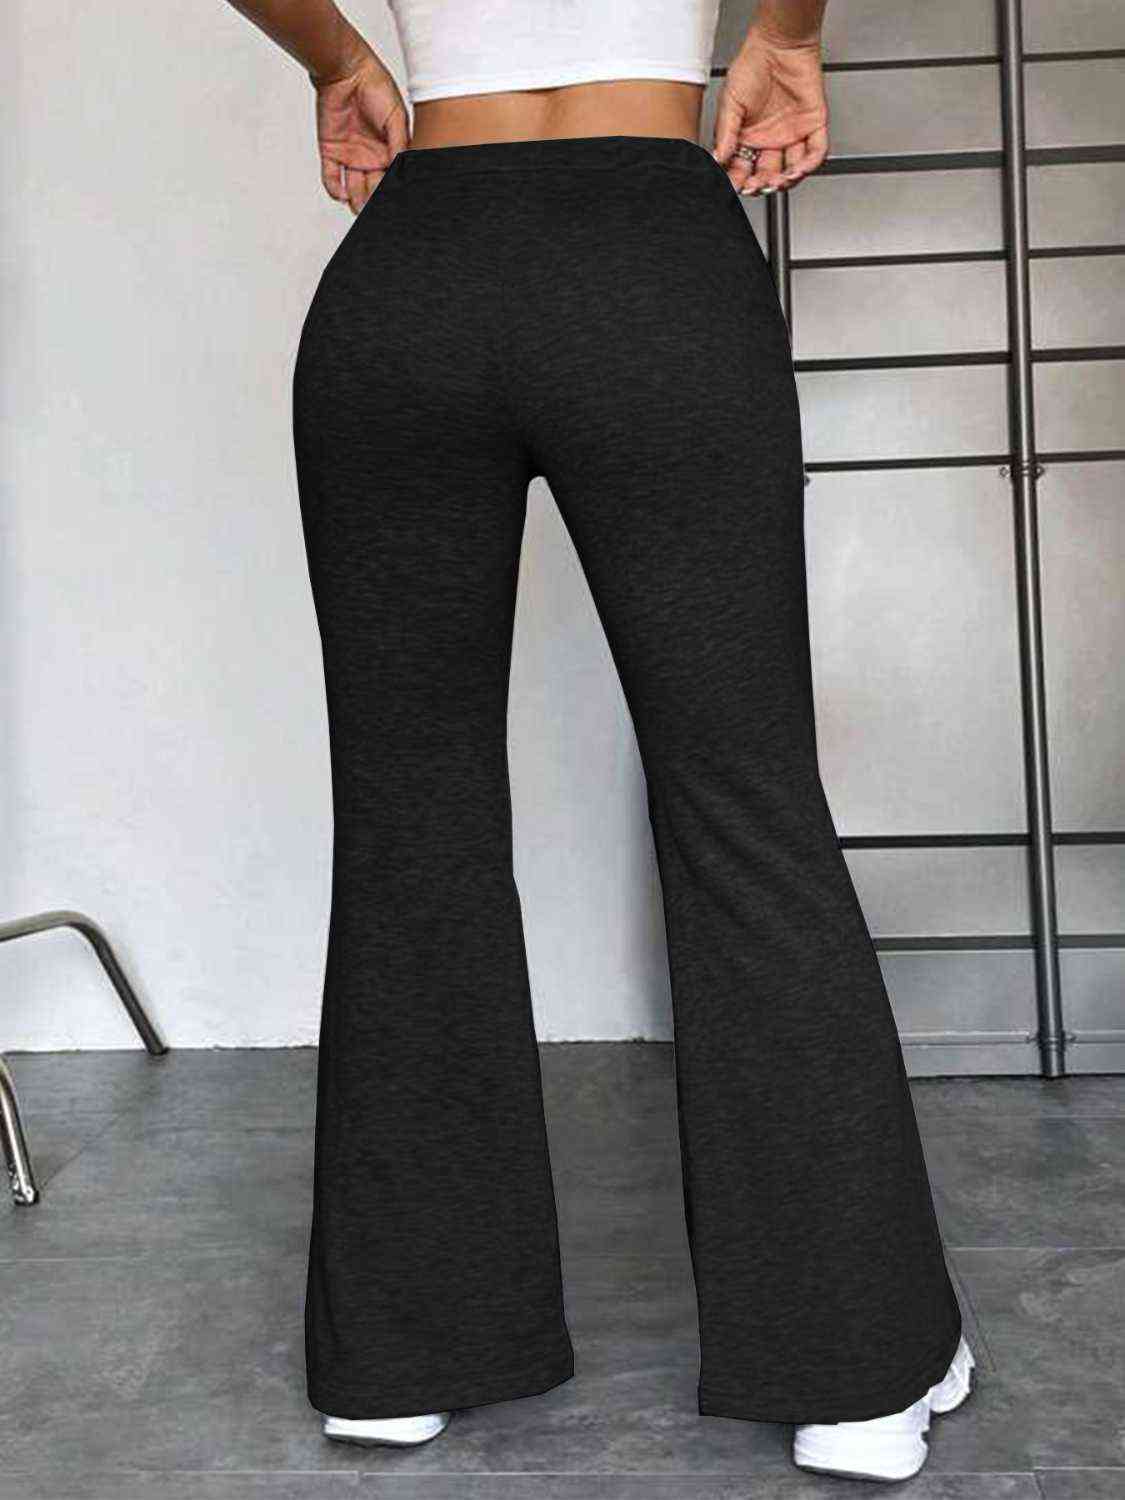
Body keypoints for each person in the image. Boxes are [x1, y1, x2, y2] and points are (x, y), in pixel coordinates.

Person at [221, 0, 975, 1482]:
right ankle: (852, 1369)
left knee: (409, 816)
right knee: (742, 805)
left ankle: (403, 1351)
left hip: (411, 276)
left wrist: (336, 60)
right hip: (648, 260)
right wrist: (789, 32)